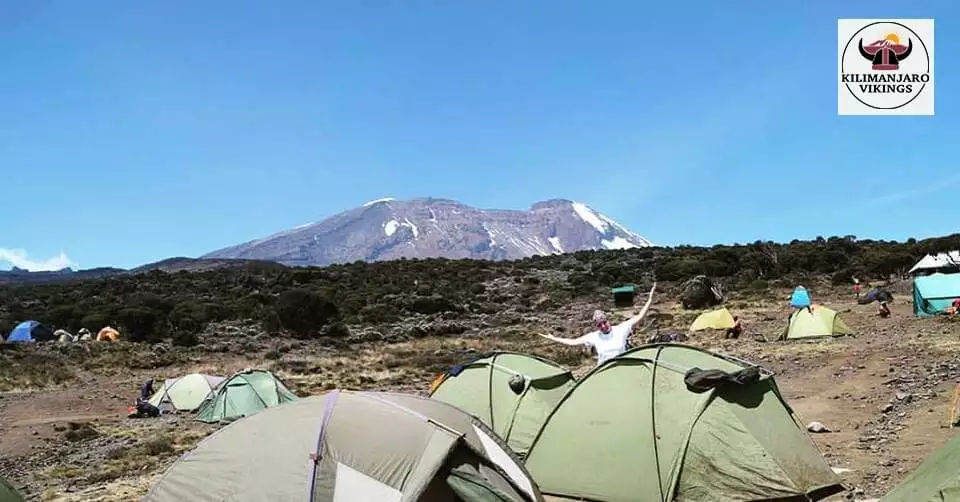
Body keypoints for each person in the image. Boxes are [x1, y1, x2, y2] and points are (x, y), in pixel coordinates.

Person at [538, 282, 657, 365]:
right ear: (597, 326)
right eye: (599, 325)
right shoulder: (593, 336)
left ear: (608, 320)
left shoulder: (621, 329)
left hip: (623, 366)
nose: (603, 326)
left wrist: (650, 299)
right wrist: (553, 338)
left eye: (604, 322)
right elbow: (572, 343)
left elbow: (640, 316)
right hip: (603, 370)